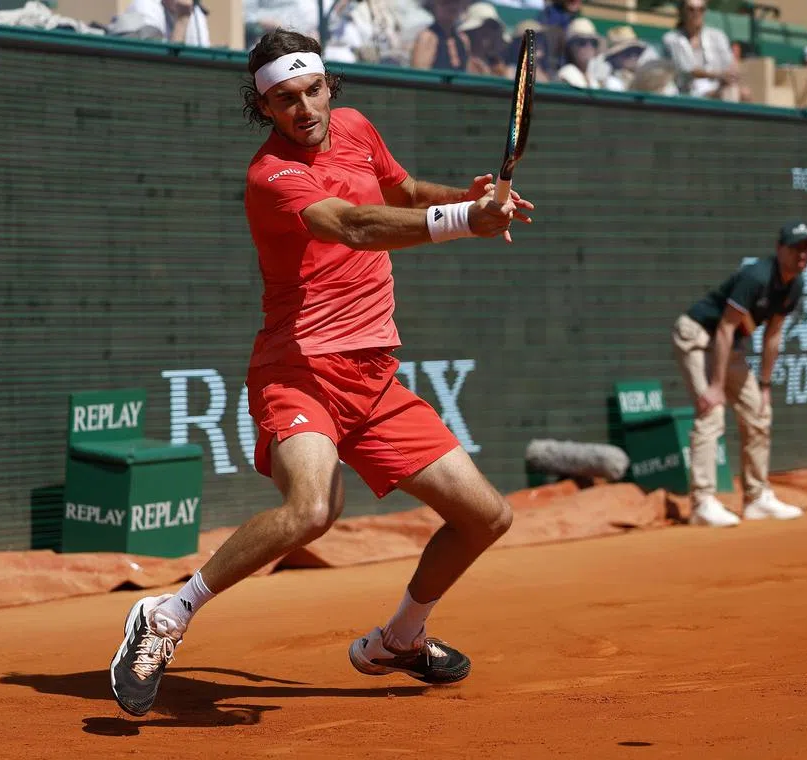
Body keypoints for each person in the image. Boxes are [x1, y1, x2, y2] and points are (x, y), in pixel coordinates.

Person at [109, 29, 535, 717]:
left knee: (487, 517)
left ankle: (398, 639)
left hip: (373, 375)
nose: (304, 108)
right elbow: (356, 226)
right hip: (299, 369)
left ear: (330, 84)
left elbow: (399, 191)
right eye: (284, 99)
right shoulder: (270, 174)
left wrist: (467, 197)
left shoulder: (358, 128)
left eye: (312, 90)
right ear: (265, 108)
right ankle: (164, 616)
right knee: (312, 509)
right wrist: (464, 221)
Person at [671, 222, 807, 528]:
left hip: (726, 346)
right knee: (711, 411)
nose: (803, 255)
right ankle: (702, 503)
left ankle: (756, 498)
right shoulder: (756, 276)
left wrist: (764, 385)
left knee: (759, 413)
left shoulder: (796, 284)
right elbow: (724, 328)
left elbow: (773, 335)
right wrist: (717, 386)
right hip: (697, 336)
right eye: (796, 248)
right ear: (780, 250)